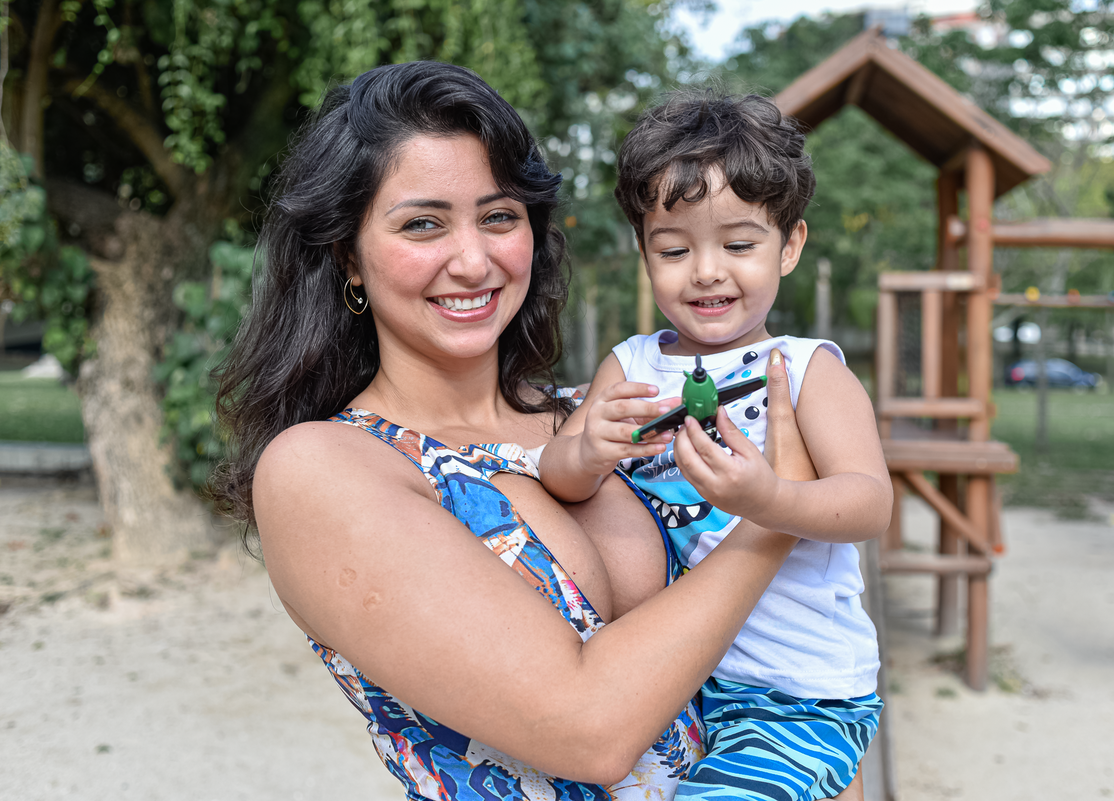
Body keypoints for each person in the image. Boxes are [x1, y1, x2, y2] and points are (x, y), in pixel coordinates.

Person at [210, 62, 818, 801]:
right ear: (348, 255)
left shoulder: (595, 417)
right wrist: (778, 519)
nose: (473, 260)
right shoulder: (326, 469)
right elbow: (589, 729)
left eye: (499, 216)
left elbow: (773, 662)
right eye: (422, 223)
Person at [537, 91, 892, 801]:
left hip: (799, 693)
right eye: (675, 248)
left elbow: (869, 503)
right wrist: (587, 450)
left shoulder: (805, 369)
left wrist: (772, 498)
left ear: (789, 245)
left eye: (738, 244)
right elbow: (559, 475)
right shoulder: (633, 364)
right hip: (681, 681)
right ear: (645, 251)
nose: (706, 270)